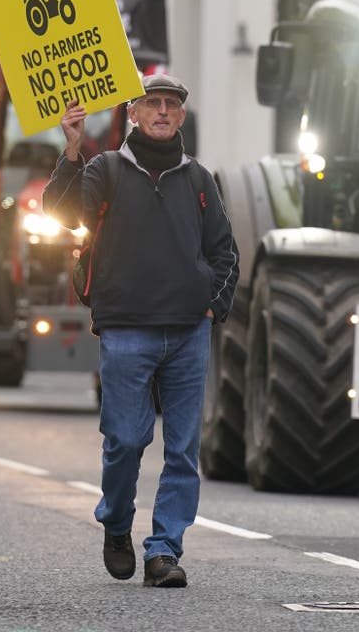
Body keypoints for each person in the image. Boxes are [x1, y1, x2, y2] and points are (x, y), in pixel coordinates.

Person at [43, 73, 239, 588]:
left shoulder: (199, 180)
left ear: (180, 116)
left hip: (188, 333)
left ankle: (164, 551)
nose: (162, 111)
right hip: (127, 329)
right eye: (152, 103)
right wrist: (71, 149)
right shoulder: (106, 169)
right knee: (126, 440)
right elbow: (60, 212)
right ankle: (116, 523)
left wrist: (211, 310)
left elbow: (225, 253)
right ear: (133, 113)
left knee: (182, 451)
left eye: (171, 105)